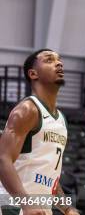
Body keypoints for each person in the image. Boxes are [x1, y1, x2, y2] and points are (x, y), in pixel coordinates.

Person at [0, 49, 79, 215]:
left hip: (40, 207)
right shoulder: (27, 109)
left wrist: (67, 208)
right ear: (33, 73)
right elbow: (3, 159)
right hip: (14, 206)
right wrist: (26, 204)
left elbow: (50, 178)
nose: (59, 63)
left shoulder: (61, 119)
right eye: (49, 60)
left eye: (59, 60)